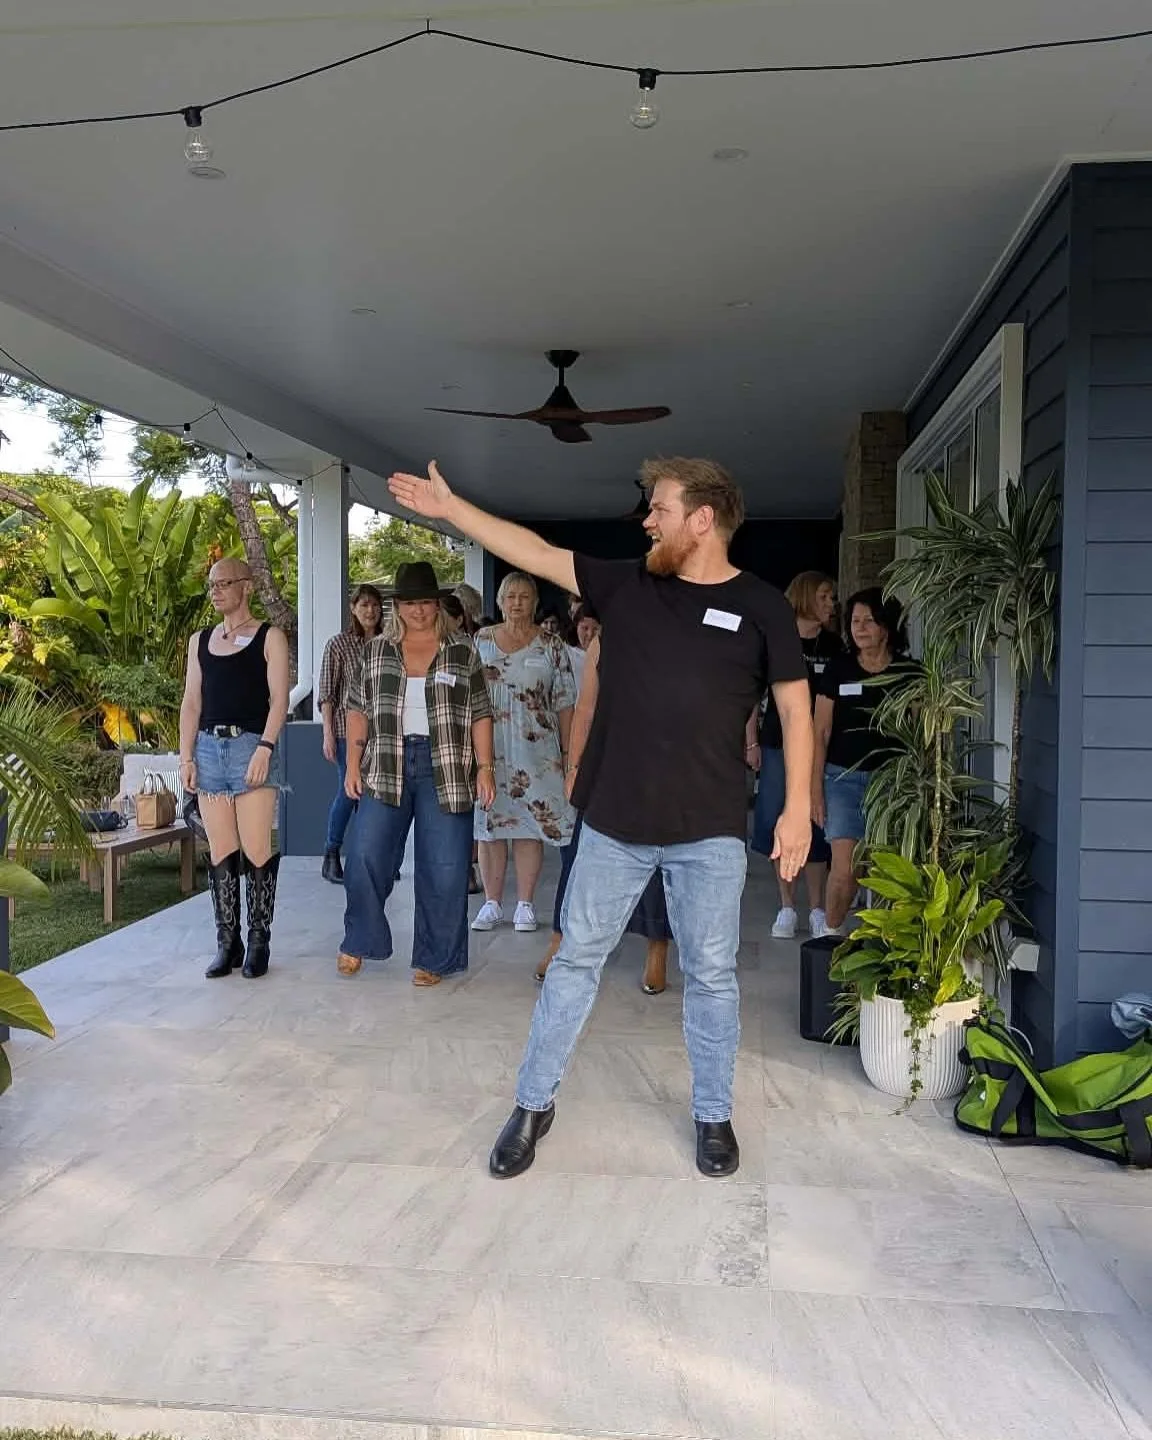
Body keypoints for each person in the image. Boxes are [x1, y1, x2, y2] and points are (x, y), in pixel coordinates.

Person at [388, 457, 812, 1180]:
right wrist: (453, 510)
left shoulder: (762, 605)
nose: (648, 519)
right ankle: (533, 1102)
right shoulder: (629, 585)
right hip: (615, 822)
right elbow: (538, 554)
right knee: (574, 963)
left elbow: (797, 710)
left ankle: (714, 1113)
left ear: (702, 520)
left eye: (661, 508)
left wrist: (798, 808)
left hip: (708, 827)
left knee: (711, 974)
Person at [337, 561, 496, 984]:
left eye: (426, 602)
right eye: (410, 603)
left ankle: (435, 957)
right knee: (365, 855)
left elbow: (481, 712)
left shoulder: (462, 650)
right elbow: (357, 710)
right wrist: (352, 764)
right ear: (397, 606)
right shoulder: (375, 651)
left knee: (444, 867)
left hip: (446, 766)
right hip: (386, 763)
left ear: (438, 605)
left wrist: (486, 768)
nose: (419, 611)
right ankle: (360, 939)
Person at [538, 634, 672, 996]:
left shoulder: (682, 625)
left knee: (658, 860)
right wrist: (574, 766)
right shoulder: (607, 637)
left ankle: (657, 947)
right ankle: (560, 938)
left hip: (665, 761)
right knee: (579, 854)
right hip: (608, 761)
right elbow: (585, 708)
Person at [178, 558, 290, 980]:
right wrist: (186, 756)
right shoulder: (200, 640)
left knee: (257, 848)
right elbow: (192, 702)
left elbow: (280, 699)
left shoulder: (269, 637)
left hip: (250, 746)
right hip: (208, 750)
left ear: (246, 586)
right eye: (212, 585)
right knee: (221, 850)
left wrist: (265, 746)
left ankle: (259, 941)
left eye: (224, 583)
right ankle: (229, 942)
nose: (216, 591)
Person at [470, 571, 577, 936]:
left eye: (524, 596)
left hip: (538, 752)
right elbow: (467, 698)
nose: (517, 602)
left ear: (534, 602)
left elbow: (565, 702)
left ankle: (526, 904)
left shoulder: (551, 644)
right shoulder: (481, 640)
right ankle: (492, 902)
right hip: (490, 749)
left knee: (531, 825)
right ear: (499, 602)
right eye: (510, 596)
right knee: (490, 827)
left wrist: (567, 752)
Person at [748, 571, 842, 939]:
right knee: (777, 821)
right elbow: (752, 696)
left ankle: (817, 908)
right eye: (824, 596)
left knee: (817, 823)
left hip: (822, 749)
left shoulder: (835, 647)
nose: (830, 603)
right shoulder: (776, 640)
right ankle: (786, 906)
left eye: (831, 597)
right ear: (804, 598)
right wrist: (750, 742)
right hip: (776, 745)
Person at [812, 587, 910, 934]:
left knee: (888, 870)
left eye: (869, 620)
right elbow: (820, 731)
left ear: (887, 626)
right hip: (842, 780)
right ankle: (830, 938)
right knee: (844, 869)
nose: (861, 627)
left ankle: (884, 945)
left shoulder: (908, 673)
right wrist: (814, 791)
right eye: (855, 620)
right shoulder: (838, 669)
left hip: (893, 783)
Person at [317, 584, 384, 884]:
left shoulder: (388, 643)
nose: (370, 611)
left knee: (377, 797)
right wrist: (327, 733)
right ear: (354, 609)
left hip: (382, 732)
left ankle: (377, 858)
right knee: (350, 791)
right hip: (346, 730)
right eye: (364, 605)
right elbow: (327, 694)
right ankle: (331, 854)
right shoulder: (339, 644)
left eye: (374, 605)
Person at [565, 603, 601, 690]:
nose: (590, 634)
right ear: (576, 627)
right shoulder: (565, 654)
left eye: (596, 629)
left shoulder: (609, 657)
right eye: (585, 628)